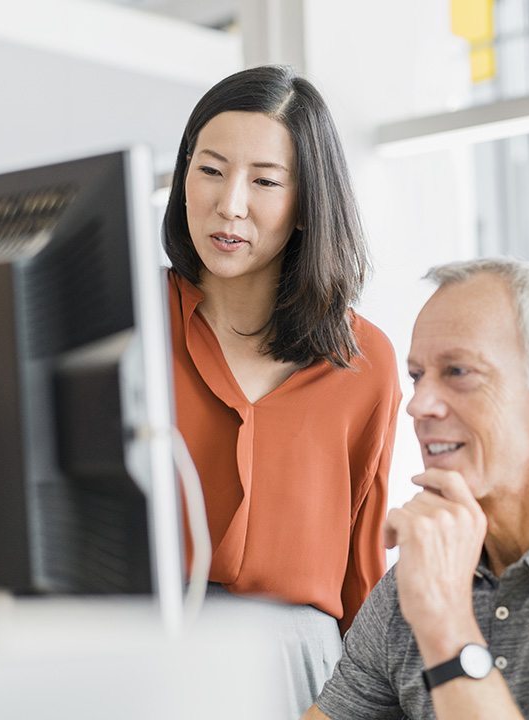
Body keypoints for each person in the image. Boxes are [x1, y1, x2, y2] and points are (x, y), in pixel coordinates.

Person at [305, 258, 529, 720]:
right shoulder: (407, 585)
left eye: (458, 372)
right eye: (417, 376)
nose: (418, 405)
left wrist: (446, 623)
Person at [162, 65, 401, 716]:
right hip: (150, 654)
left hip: (306, 677)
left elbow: (362, 566)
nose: (230, 203)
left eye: (265, 181)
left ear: (306, 204)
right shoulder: (129, 318)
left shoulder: (364, 359)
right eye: (209, 169)